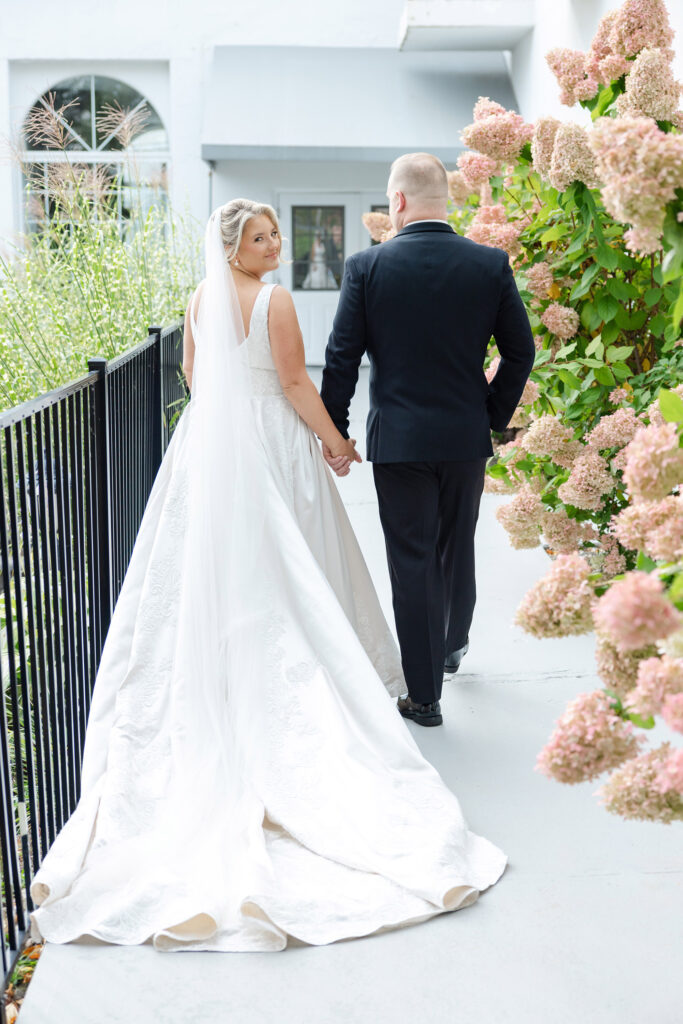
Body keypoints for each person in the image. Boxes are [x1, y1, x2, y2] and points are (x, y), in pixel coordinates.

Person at [28, 198, 507, 953]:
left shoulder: (199, 298)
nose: (274, 244)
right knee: (292, 562)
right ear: (235, 246)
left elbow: (191, 371)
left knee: (213, 561)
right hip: (268, 441)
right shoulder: (275, 300)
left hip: (207, 441)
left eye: (274, 234)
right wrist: (334, 442)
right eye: (261, 237)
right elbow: (292, 382)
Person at [321, 153, 535, 727]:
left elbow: (342, 359)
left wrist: (334, 431)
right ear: (447, 199)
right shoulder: (490, 264)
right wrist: (489, 414)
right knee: (455, 546)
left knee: (412, 562)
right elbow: (521, 352)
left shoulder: (367, 267)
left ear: (397, 202)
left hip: (400, 442)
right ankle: (452, 646)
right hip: (464, 437)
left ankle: (424, 697)